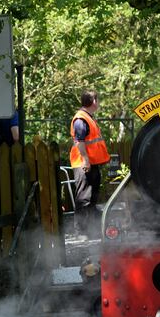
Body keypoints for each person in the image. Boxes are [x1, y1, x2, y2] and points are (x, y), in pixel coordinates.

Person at [70, 89, 110, 237]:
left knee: (92, 197)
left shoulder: (88, 117)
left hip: (91, 163)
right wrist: (86, 160)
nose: (98, 103)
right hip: (84, 164)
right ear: (93, 102)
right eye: (97, 100)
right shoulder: (81, 119)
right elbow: (79, 142)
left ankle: (91, 231)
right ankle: (80, 231)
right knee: (83, 198)